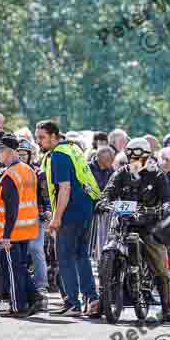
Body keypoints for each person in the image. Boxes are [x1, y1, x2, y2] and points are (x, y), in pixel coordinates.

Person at [98, 137, 170, 322]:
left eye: (140, 158)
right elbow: (108, 191)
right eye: (132, 158)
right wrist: (103, 202)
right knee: (106, 253)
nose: (136, 162)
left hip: (148, 226)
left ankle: (166, 308)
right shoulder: (120, 174)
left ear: (147, 157)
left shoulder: (157, 175)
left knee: (160, 266)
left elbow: (167, 198)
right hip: (123, 223)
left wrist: (166, 207)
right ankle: (104, 299)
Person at [37, 120, 102, 318]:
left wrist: (56, 218)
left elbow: (64, 188)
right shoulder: (72, 148)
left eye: (42, 137)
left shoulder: (57, 155)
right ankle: (92, 298)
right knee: (81, 255)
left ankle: (72, 303)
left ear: (54, 137)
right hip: (85, 209)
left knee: (64, 257)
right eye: (37, 137)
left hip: (70, 212)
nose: (39, 142)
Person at [0, 134, 40, 318]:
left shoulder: (9, 176)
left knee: (13, 270)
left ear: (10, 152)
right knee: (20, 267)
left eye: (0, 150)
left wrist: (6, 235)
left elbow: (11, 209)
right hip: (26, 229)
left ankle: (17, 306)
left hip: (12, 231)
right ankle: (33, 297)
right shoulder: (28, 170)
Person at [17, 137, 49, 310]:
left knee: (35, 248)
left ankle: (41, 286)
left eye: (24, 154)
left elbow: (46, 195)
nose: (21, 157)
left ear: (31, 156)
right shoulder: (8, 172)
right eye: (18, 154)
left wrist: (47, 210)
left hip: (35, 217)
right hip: (13, 219)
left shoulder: (38, 173)